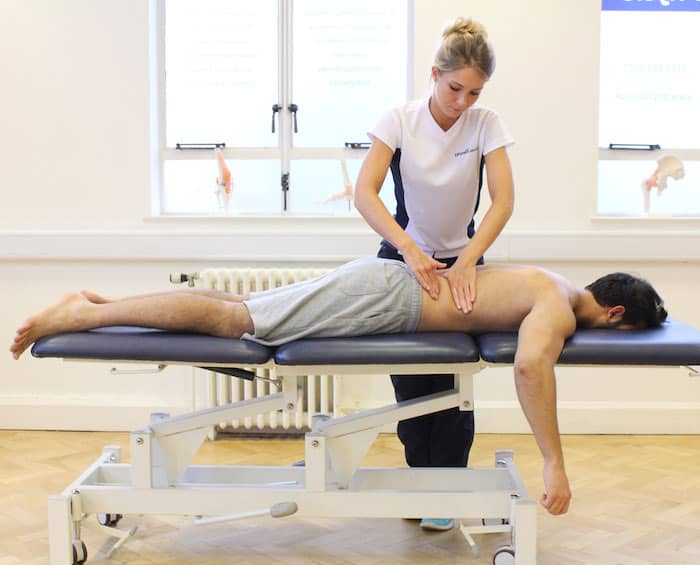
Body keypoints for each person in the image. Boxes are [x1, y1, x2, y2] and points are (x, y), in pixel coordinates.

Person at [10, 257, 667, 517]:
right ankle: (86, 315)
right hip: (386, 300)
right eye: (624, 333)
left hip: (384, 292)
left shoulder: (548, 280)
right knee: (239, 321)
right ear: (614, 315)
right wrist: (554, 460)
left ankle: (101, 302)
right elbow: (529, 366)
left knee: (244, 312)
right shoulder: (555, 303)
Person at [353, 17, 515, 528]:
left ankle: (447, 489)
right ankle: (422, 484)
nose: (463, 101)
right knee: (411, 382)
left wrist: (467, 258)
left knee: (454, 378)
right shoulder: (398, 120)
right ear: (434, 74)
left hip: (464, 266)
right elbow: (365, 192)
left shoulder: (486, 123)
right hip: (403, 260)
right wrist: (406, 248)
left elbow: (503, 201)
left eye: (474, 91)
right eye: (455, 88)